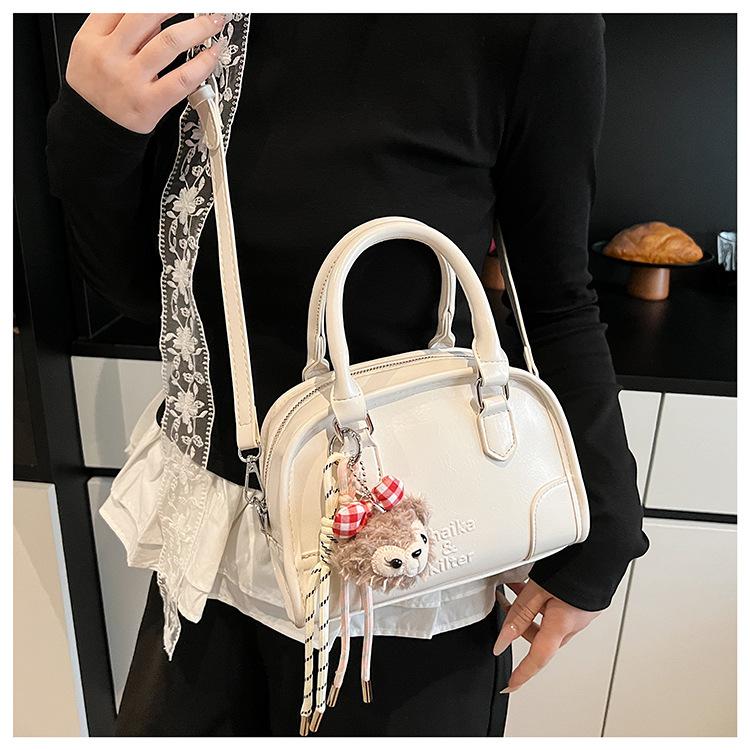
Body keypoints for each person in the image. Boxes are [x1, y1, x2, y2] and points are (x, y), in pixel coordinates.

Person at [46, 13, 649, 737]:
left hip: (403, 563)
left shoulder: (525, 25)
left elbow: (553, 298)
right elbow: (153, 295)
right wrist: (95, 132)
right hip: (209, 551)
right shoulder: (191, 19)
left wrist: (605, 528)